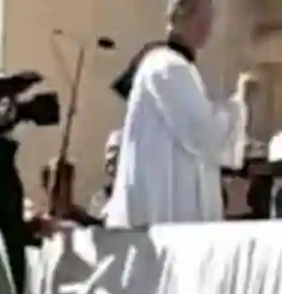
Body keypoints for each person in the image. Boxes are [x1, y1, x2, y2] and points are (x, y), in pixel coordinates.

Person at [107, 0, 254, 228]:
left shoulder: (175, 66)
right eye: (202, 21)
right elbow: (203, 133)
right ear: (180, 18)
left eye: (210, 21)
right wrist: (240, 102)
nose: (208, 29)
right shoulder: (167, 66)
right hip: (165, 209)